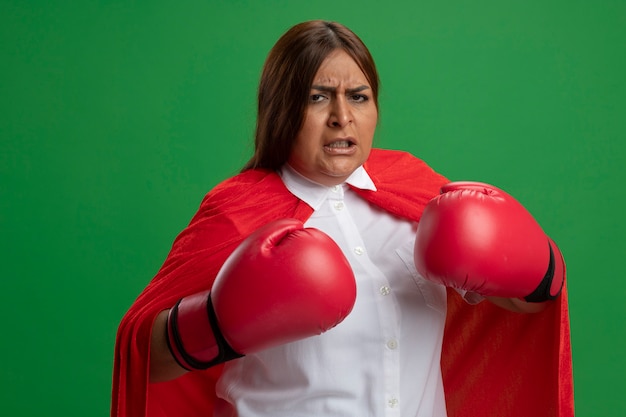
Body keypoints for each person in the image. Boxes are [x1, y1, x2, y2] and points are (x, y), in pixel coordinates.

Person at [111, 20, 574, 417]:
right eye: (317, 97)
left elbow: (531, 307)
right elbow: (142, 357)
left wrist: (532, 264)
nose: (341, 117)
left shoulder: (420, 191)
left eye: (358, 96)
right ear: (282, 109)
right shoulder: (236, 212)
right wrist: (220, 321)